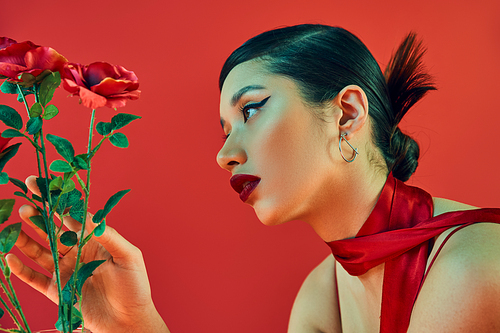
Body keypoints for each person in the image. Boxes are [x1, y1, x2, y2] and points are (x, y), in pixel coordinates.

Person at [6, 24, 500, 333]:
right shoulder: (321, 293)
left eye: (252, 109)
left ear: (347, 112)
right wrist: (134, 327)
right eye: (225, 129)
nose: (224, 154)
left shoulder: (470, 267)